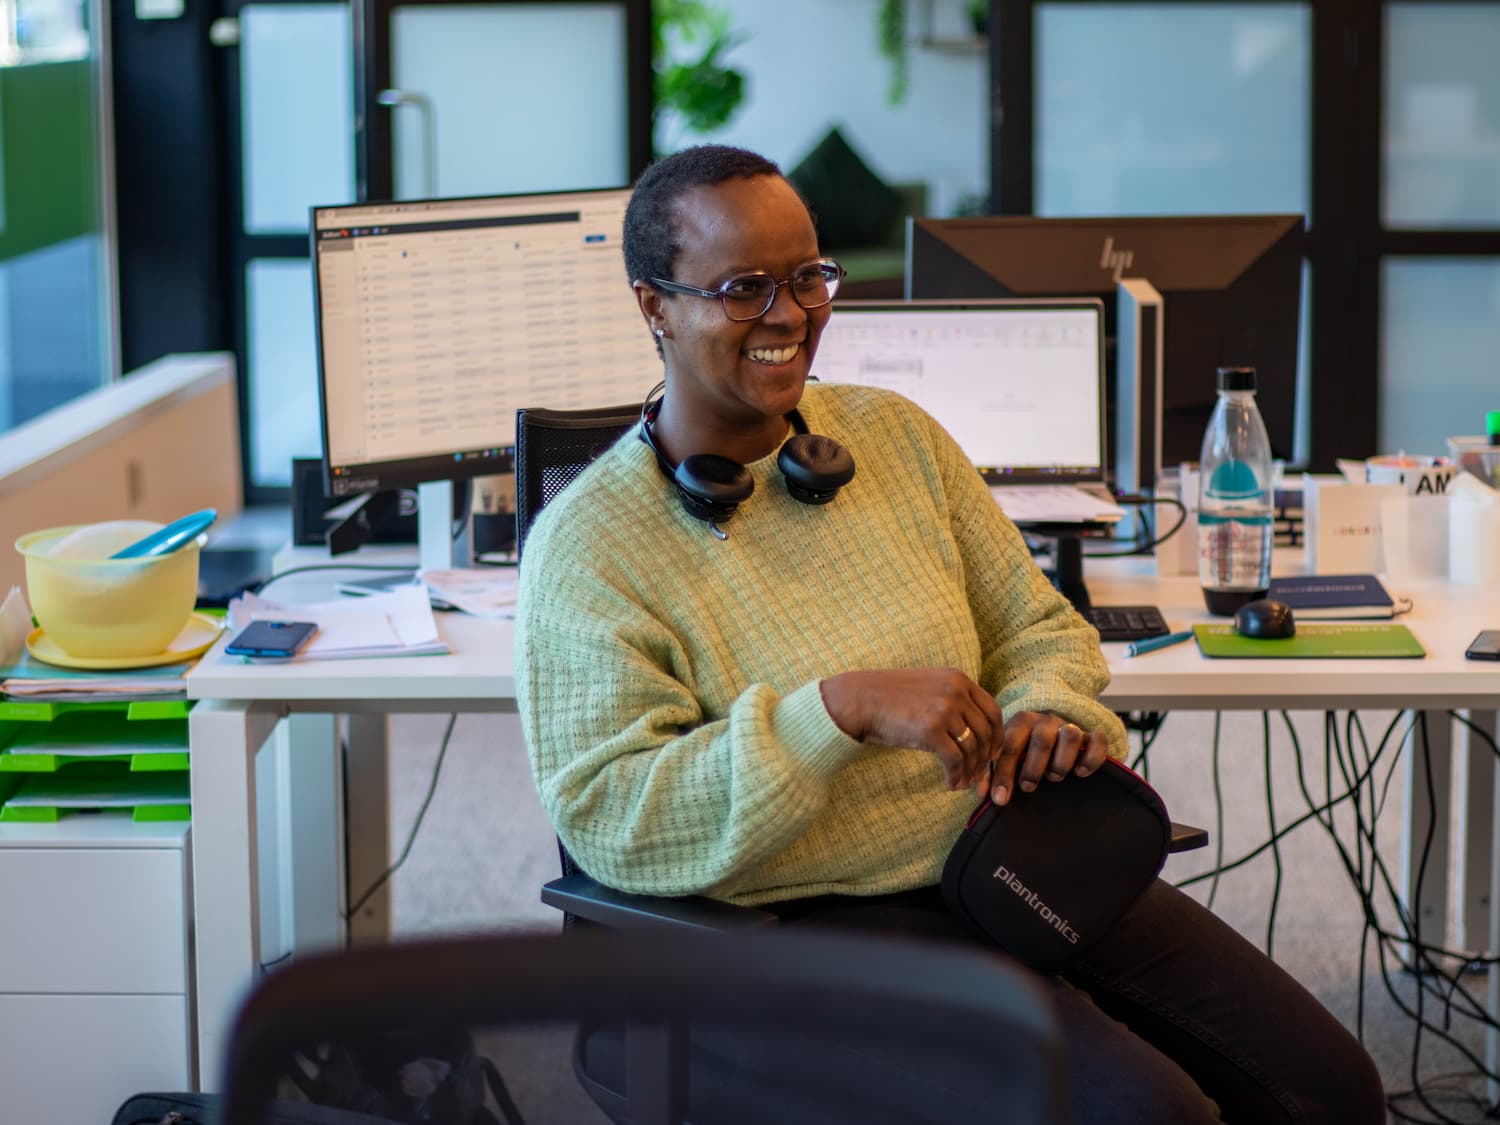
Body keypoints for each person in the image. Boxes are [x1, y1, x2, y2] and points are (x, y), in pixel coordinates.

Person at [514, 143, 1384, 1124]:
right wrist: (834, 711)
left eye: (808, 277)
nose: (790, 315)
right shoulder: (592, 546)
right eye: (743, 288)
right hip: (792, 927)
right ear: (655, 306)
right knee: (1147, 1115)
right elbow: (610, 815)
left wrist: (1047, 712)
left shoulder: (894, 437)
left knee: (1330, 1089)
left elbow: (1038, 626)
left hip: (1006, 860)